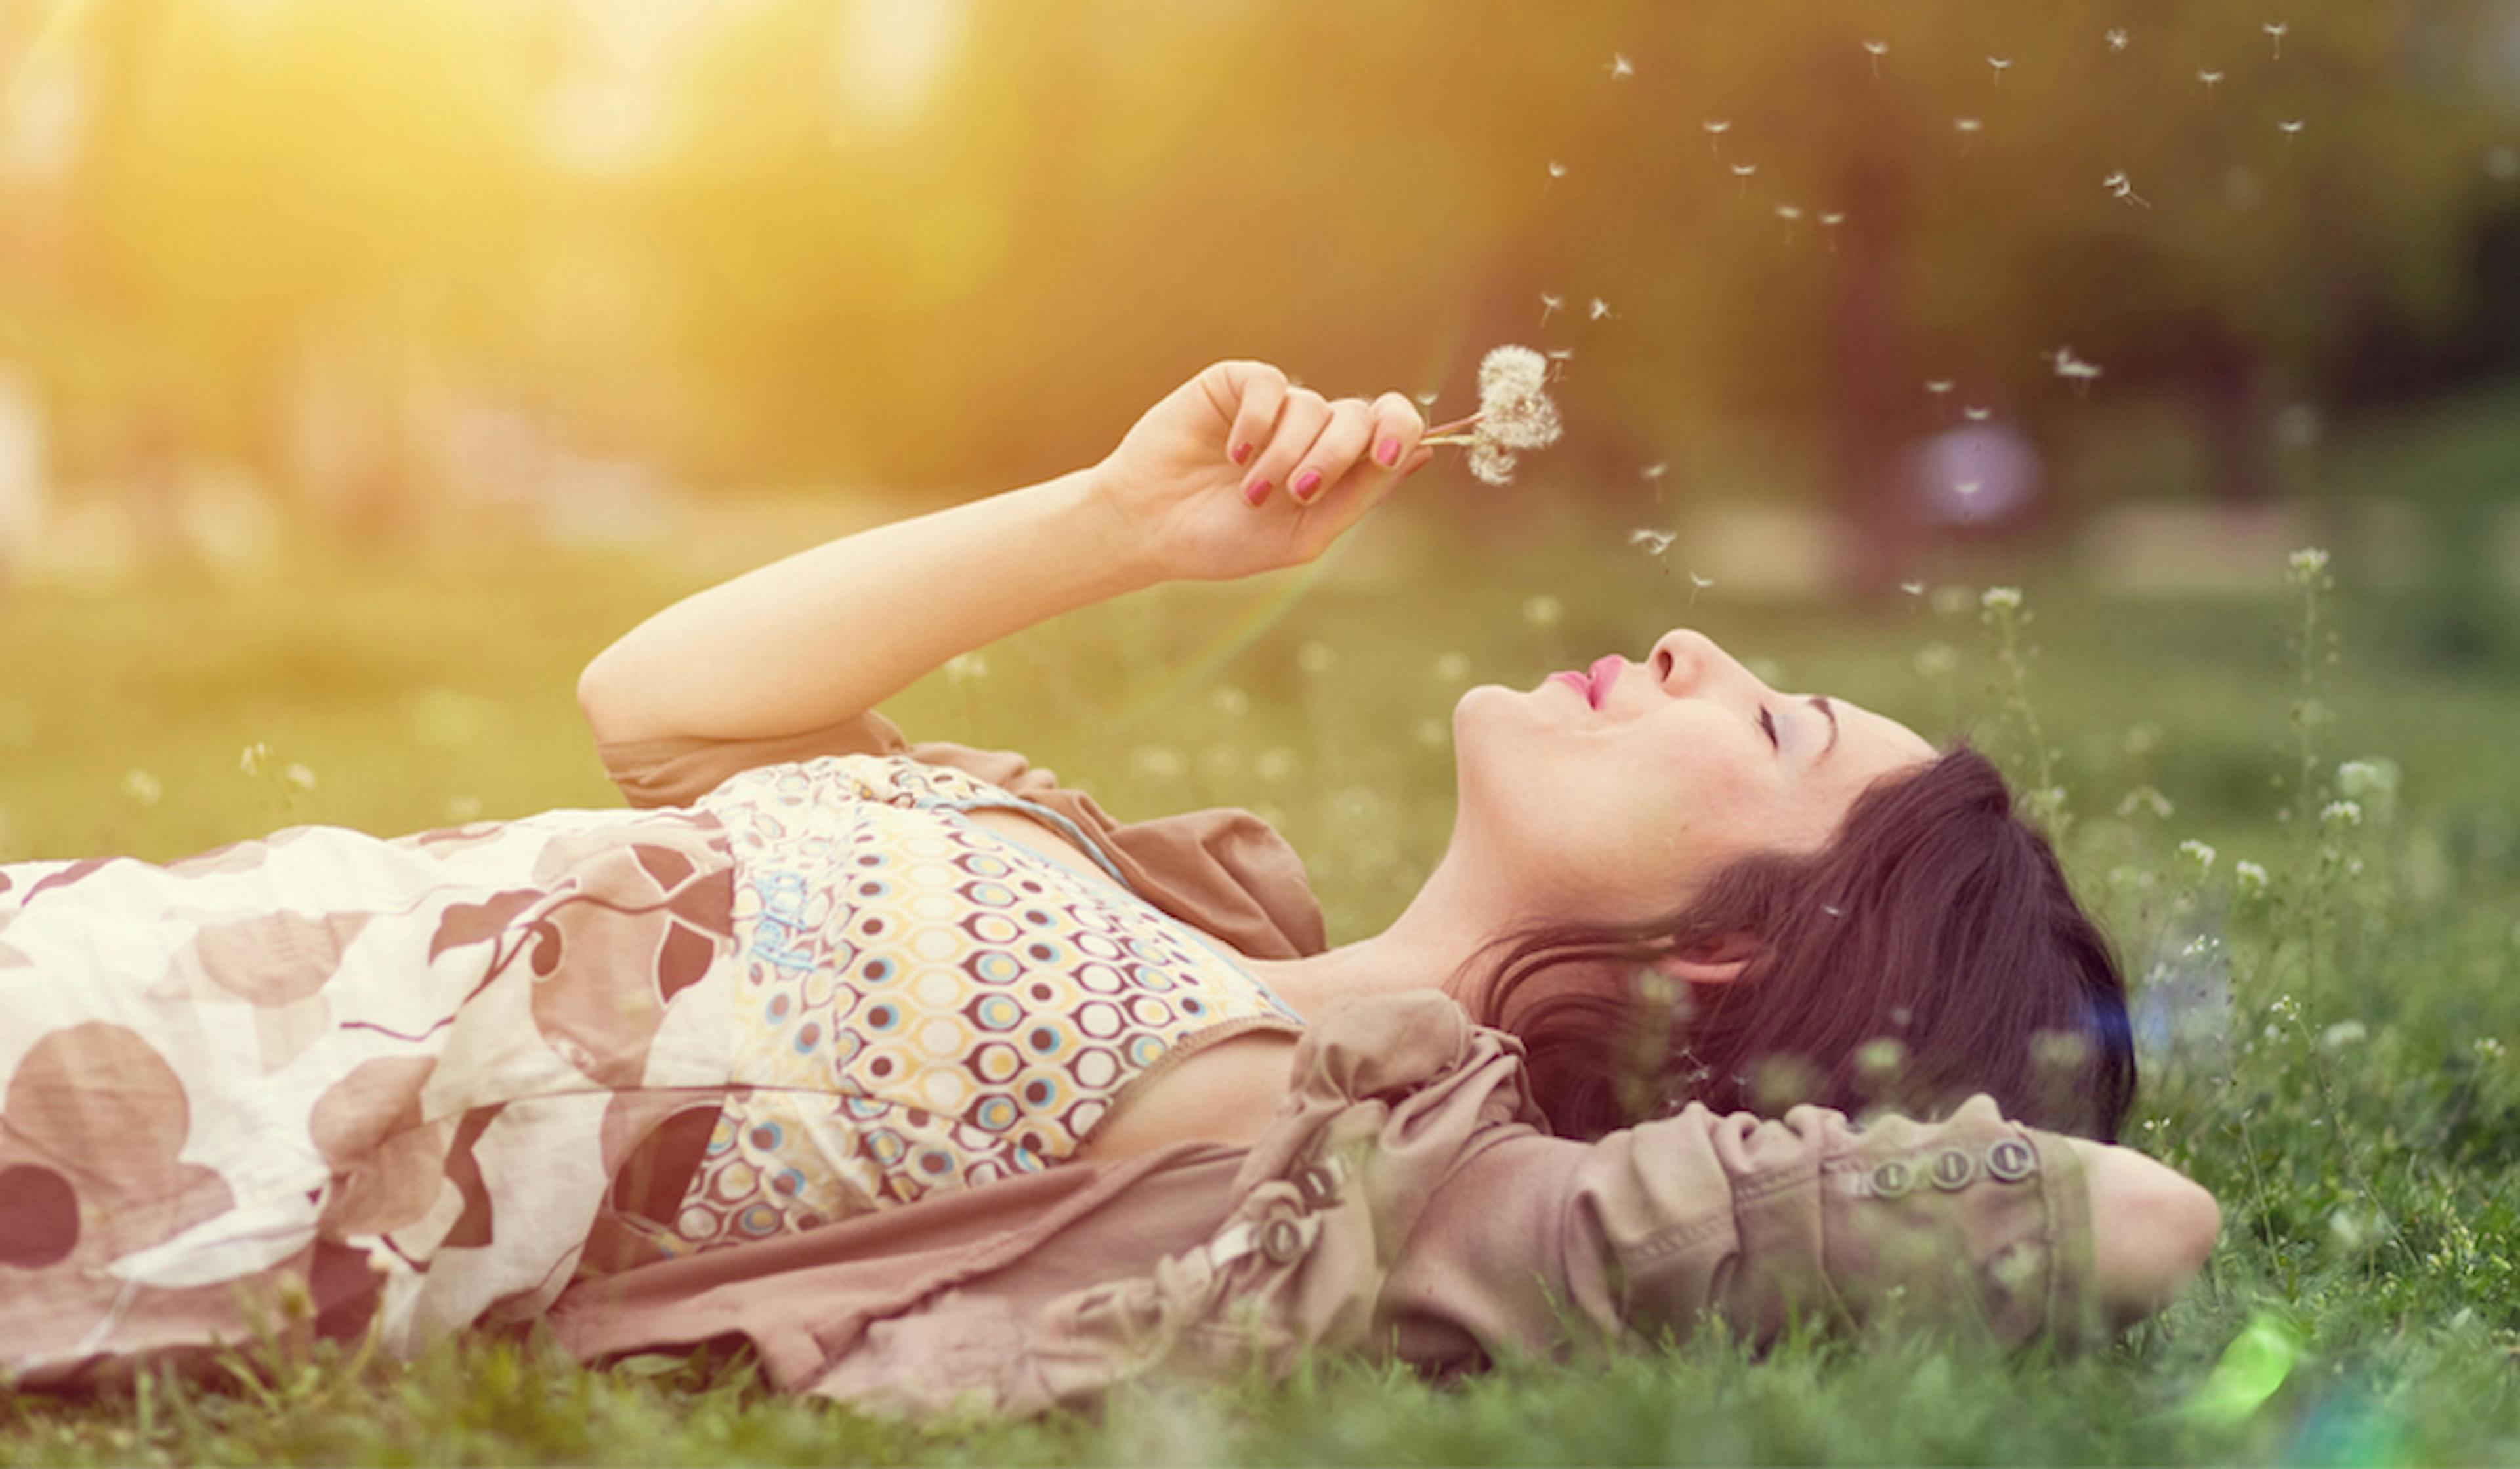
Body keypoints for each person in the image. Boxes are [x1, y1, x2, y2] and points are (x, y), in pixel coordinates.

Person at [0, 360, 2215, 1397]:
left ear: (1739, 945)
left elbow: (2138, 1221)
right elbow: (667, 700)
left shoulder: (1379, 1179)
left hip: (148, 1164)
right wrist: (1129, 531)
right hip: (85, 932)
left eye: (1779, 731)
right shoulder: (1161, 899)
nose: (1705, 653)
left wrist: (1787, 1163)